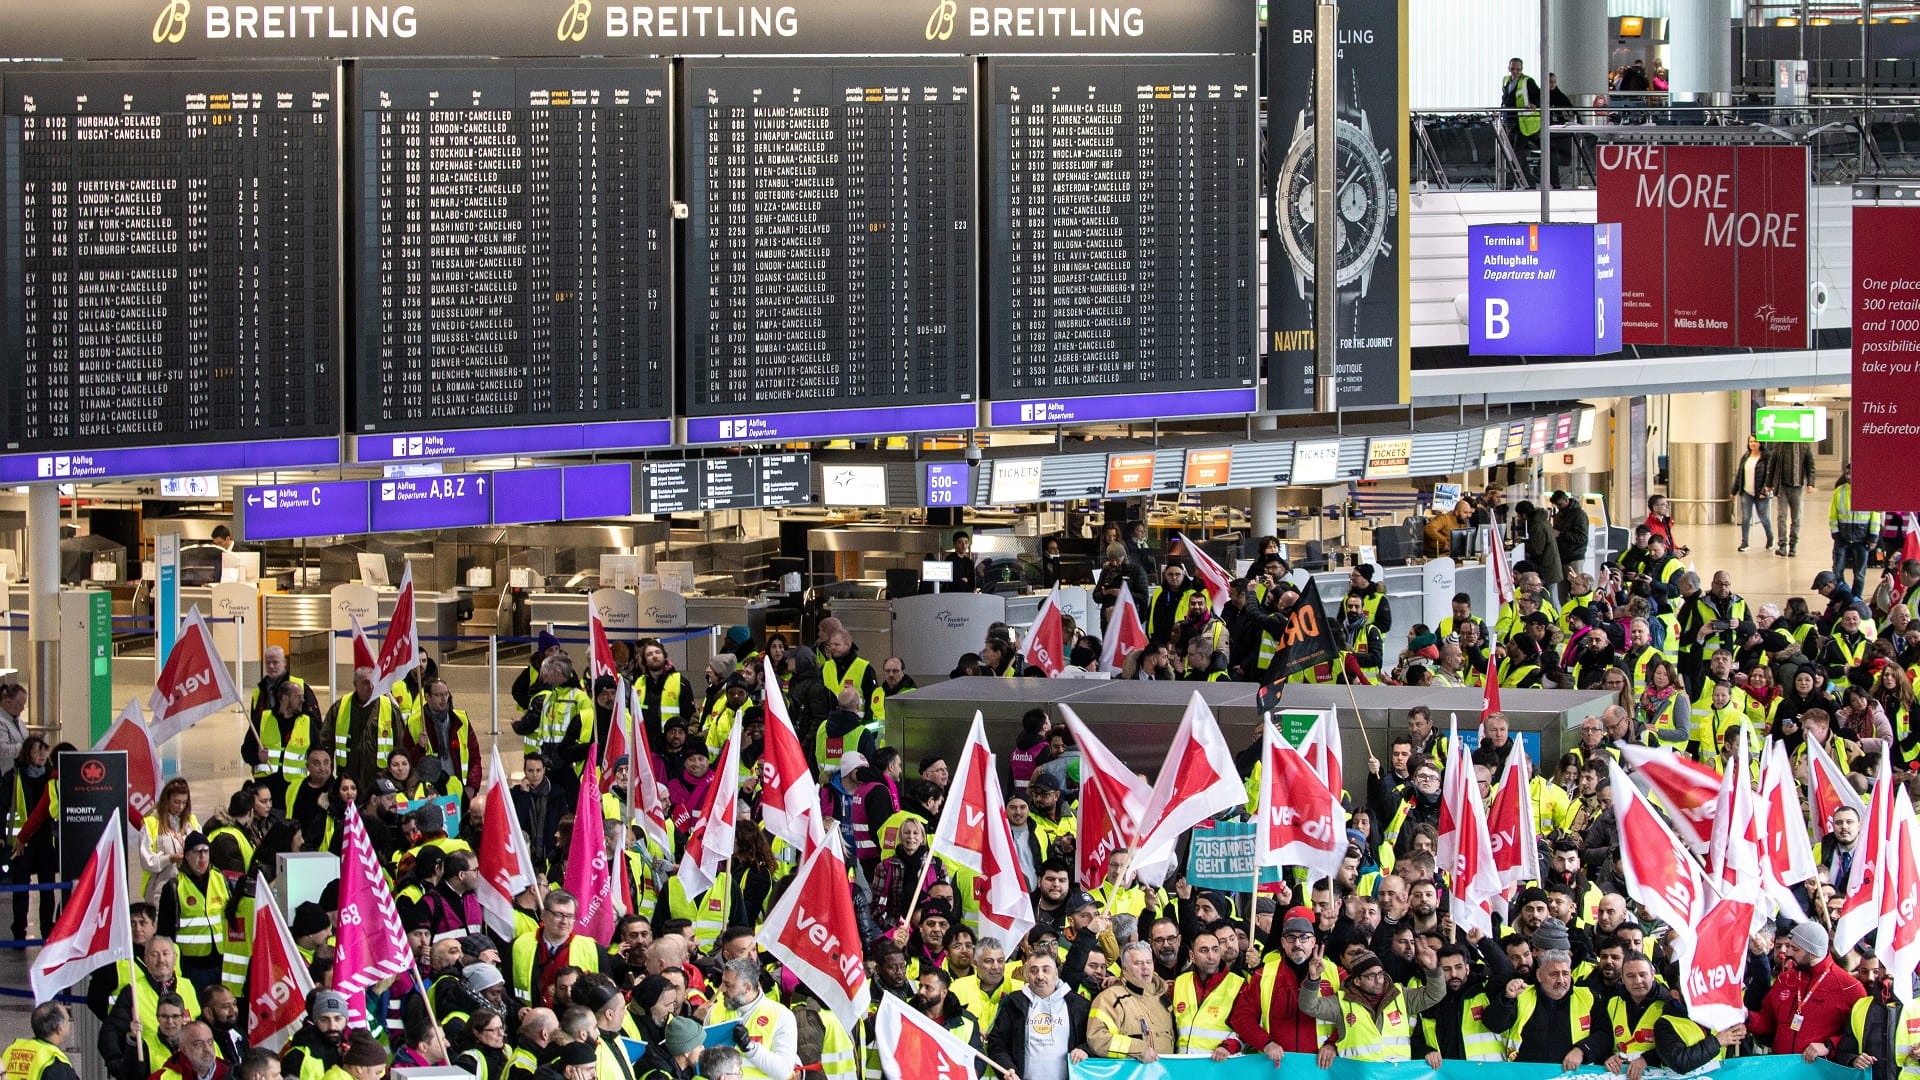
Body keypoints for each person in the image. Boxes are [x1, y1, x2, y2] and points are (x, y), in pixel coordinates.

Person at [986, 948, 1090, 1080]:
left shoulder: (1078, 1005)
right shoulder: (1014, 1003)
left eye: (1046, 970)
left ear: (1056, 973)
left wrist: (1084, 1050)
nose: (1040, 976)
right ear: (1026, 975)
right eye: (1034, 971)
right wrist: (1008, 1068)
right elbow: (997, 1043)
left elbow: (1094, 1040)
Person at [704, 958, 797, 1080]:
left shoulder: (782, 1015)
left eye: (728, 985)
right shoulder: (715, 1010)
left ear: (747, 988)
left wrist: (750, 1047)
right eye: (723, 983)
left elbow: (784, 1072)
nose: (722, 990)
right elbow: (702, 1059)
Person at [1086, 942, 1174, 1061]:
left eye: (1149, 962)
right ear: (1125, 968)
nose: (1145, 967)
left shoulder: (1162, 999)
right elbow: (1097, 1038)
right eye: (1138, 963)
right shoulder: (1110, 998)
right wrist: (1138, 1049)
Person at [1831, 463, 1878, 596]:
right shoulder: (1839, 492)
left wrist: (1873, 537)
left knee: (1859, 574)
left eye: (1851, 474)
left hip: (1862, 539)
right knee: (1837, 570)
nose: (1848, 476)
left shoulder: (1869, 492)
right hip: (1842, 537)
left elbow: (1875, 516)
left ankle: (1856, 599)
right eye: (1847, 473)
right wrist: (1835, 534)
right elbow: (1833, 515)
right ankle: (1843, 595)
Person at [4, 1002, 80, 1080]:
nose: (69, 1024)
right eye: (68, 1020)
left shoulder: (11, 1051)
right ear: (59, 1028)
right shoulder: (55, 1063)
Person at [1771, 438, 1819, 558]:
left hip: (1797, 486)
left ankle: (1793, 546)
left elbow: (1810, 465)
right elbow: (1772, 465)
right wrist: (1768, 484)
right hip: (1782, 485)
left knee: (1796, 518)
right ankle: (1782, 545)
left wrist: (1810, 483)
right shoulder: (1779, 444)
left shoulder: (1804, 445)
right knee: (1781, 516)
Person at [1501, 57, 1542, 186]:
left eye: (1518, 69)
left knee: (1518, 152)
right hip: (1511, 121)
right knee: (1510, 152)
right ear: (1509, 69)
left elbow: (1538, 95)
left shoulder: (1527, 81)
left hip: (1524, 123)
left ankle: (1519, 182)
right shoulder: (1507, 81)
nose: (1515, 72)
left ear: (1522, 69)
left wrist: (1533, 104)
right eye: (1513, 69)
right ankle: (1523, 182)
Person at [1733, 434, 1775, 553]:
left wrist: (1764, 491)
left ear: (1760, 443)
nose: (1753, 443)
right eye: (1751, 441)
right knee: (1746, 518)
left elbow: (1768, 475)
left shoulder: (1766, 457)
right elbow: (1739, 475)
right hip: (1746, 492)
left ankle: (1770, 538)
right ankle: (1744, 542)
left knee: (1763, 517)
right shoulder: (1746, 456)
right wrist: (1734, 491)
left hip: (1760, 493)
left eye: (1755, 441)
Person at [150, 1022, 230, 1080]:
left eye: (210, 1042)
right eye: (199, 1044)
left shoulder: (230, 1074)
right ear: (184, 1049)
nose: (207, 1049)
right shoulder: (162, 1078)